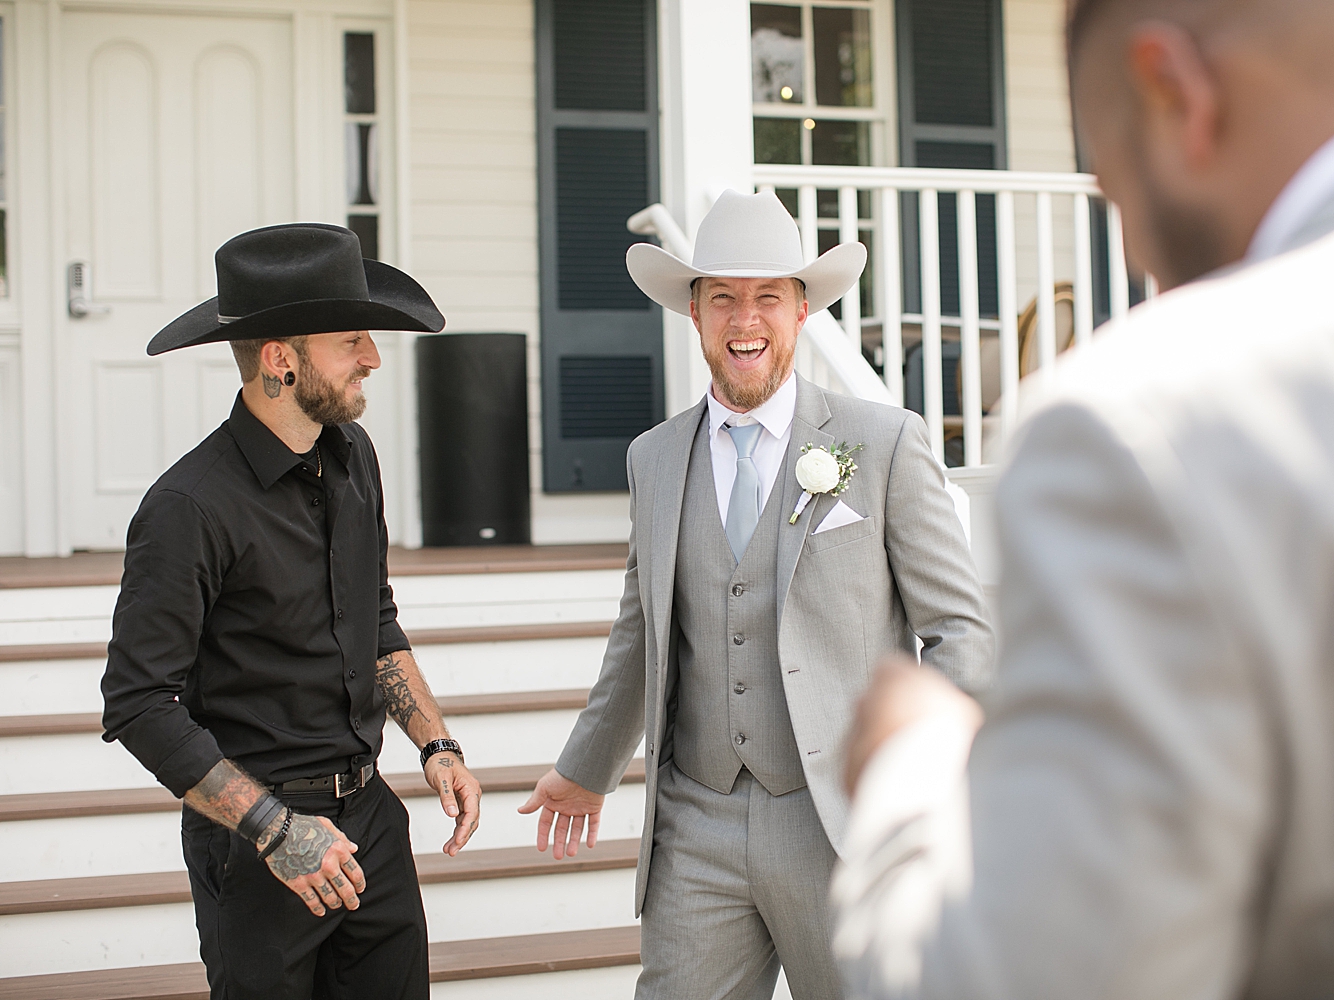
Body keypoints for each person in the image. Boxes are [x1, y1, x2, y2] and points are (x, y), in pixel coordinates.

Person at [834, 0, 1334, 997]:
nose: (1139, 247)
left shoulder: (1155, 426)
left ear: (1175, 92)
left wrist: (913, 764)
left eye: (1110, 187)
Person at [518, 190, 994, 1000]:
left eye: (768, 296)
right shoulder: (654, 458)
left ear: (801, 310)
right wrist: (586, 766)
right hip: (696, 821)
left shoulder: (880, 443)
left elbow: (959, 631)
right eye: (723, 297)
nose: (747, 318)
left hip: (841, 824)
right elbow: (642, 631)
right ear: (695, 314)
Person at [101, 223, 482, 998]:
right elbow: (138, 704)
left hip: (371, 818)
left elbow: (373, 619)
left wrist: (436, 743)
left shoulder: (354, 457)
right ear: (281, 360)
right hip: (258, 841)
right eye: (351, 340)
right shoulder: (188, 507)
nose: (373, 357)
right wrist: (278, 832)